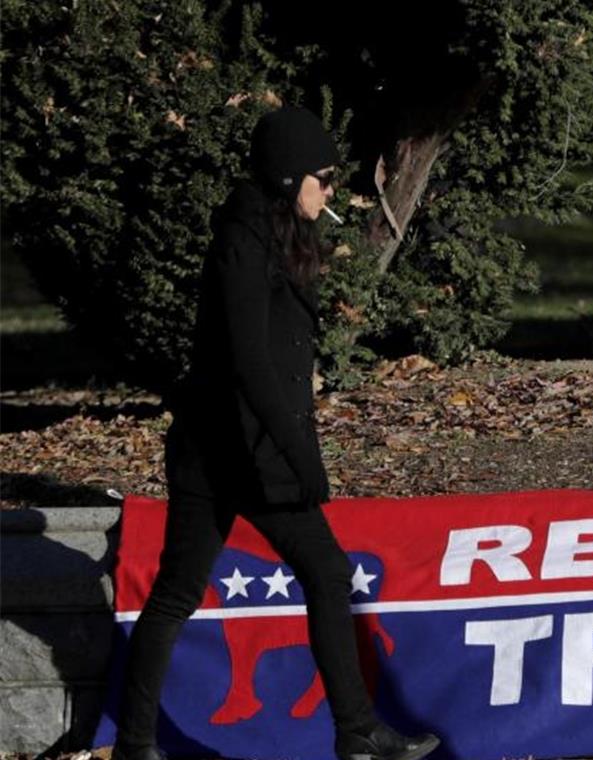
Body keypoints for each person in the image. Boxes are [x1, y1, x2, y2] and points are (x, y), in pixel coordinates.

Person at [112, 106, 440, 760]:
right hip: (242, 449)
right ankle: (354, 733)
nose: (328, 188)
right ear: (289, 177)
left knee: (190, 591)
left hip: (233, 445)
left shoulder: (276, 231)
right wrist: (300, 457)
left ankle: (138, 744)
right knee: (315, 572)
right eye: (321, 177)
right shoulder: (244, 239)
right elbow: (249, 363)